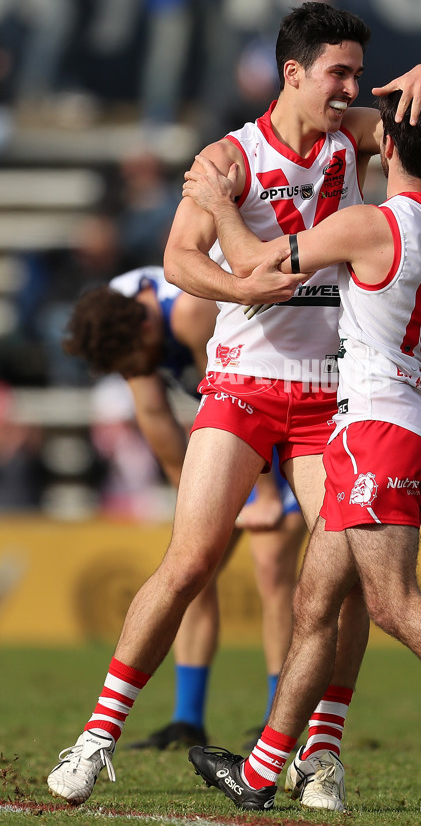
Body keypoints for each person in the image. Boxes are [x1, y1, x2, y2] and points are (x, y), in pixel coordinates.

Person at [46, 0, 421, 809]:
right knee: (190, 561)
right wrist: (241, 286)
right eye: (339, 74)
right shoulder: (230, 157)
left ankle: (322, 755)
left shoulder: (356, 137)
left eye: (360, 75)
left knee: (341, 585)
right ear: (292, 74)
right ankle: (97, 738)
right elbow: (177, 257)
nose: (354, 89)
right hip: (242, 387)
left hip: (331, 397)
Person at [182, 88, 421, 817]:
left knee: (391, 602)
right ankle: (263, 773)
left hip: (370, 431)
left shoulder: (366, 225)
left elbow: (257, 266)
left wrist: (219, 202)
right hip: (418, 425)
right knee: (315, 599)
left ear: (384, 147)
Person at [61, 266, 306, 750]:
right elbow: (157, 421)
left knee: (272, 568)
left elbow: (241, 397)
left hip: (286, 422)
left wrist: (268, 496)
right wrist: (195, 497)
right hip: (233, 438)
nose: (135, 372)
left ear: (146, 329)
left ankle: (277, 720)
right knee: (194, 573)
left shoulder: (193, 312)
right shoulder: (121, 323)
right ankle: (187, 718)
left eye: (134, 363)